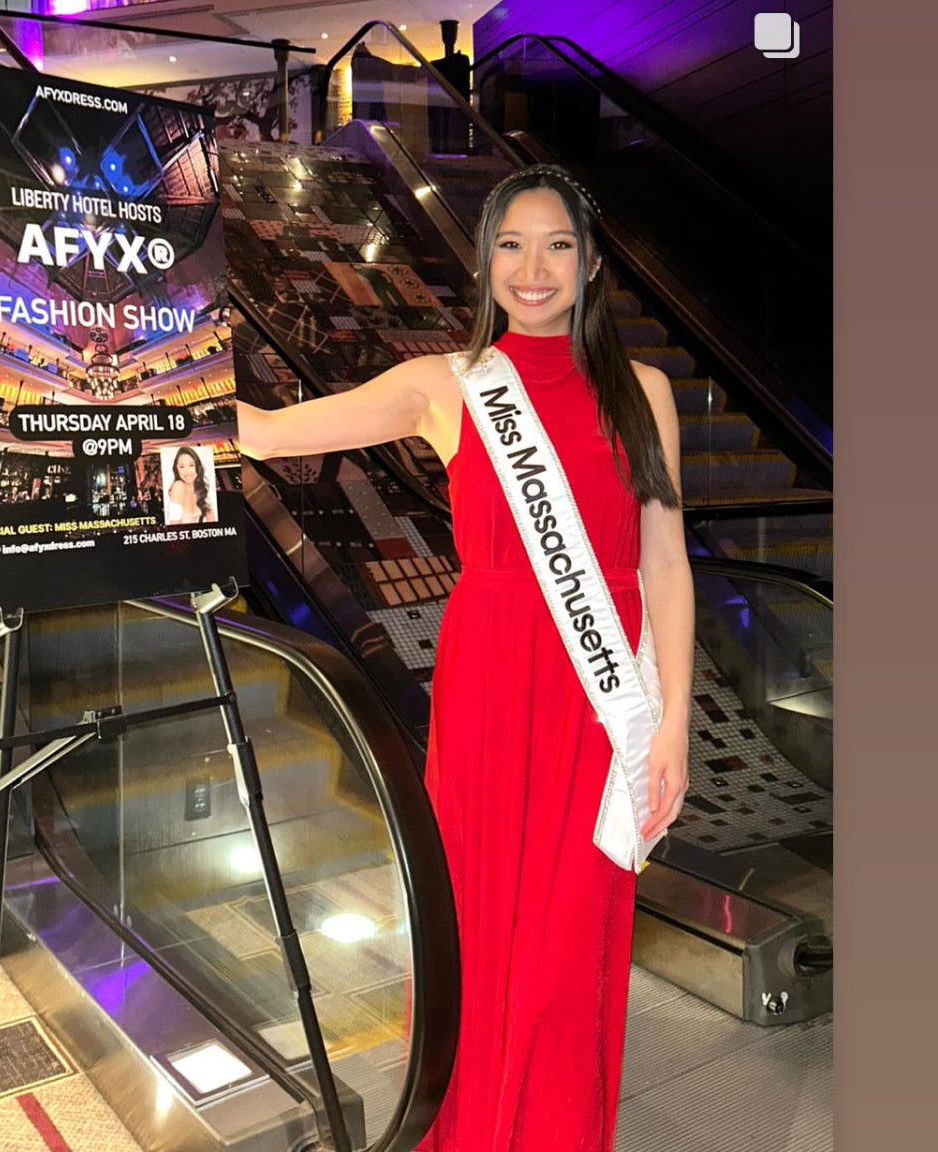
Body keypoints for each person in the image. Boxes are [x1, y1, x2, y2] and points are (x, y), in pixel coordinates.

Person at [236, 164, 693, 1152]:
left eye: (559, 245)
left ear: (593, 263)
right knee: (479, 938)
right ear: (483, 262)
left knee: (571, 949)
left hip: (602, 702)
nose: (536, 268)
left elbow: (664, 565)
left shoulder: (645, 392)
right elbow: (270, 434)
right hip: (490, 694)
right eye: (513, 245)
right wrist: (145, 391)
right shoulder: (442, 387)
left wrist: (674, 733)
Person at [166, 445, 216, 524]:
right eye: (182, 466)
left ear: (197, 467)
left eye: (191, 465)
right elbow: (174, 526)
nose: (187, 471)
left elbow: (213, 522)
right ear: (177, 469)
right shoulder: (179, 486)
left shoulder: (200, 490)